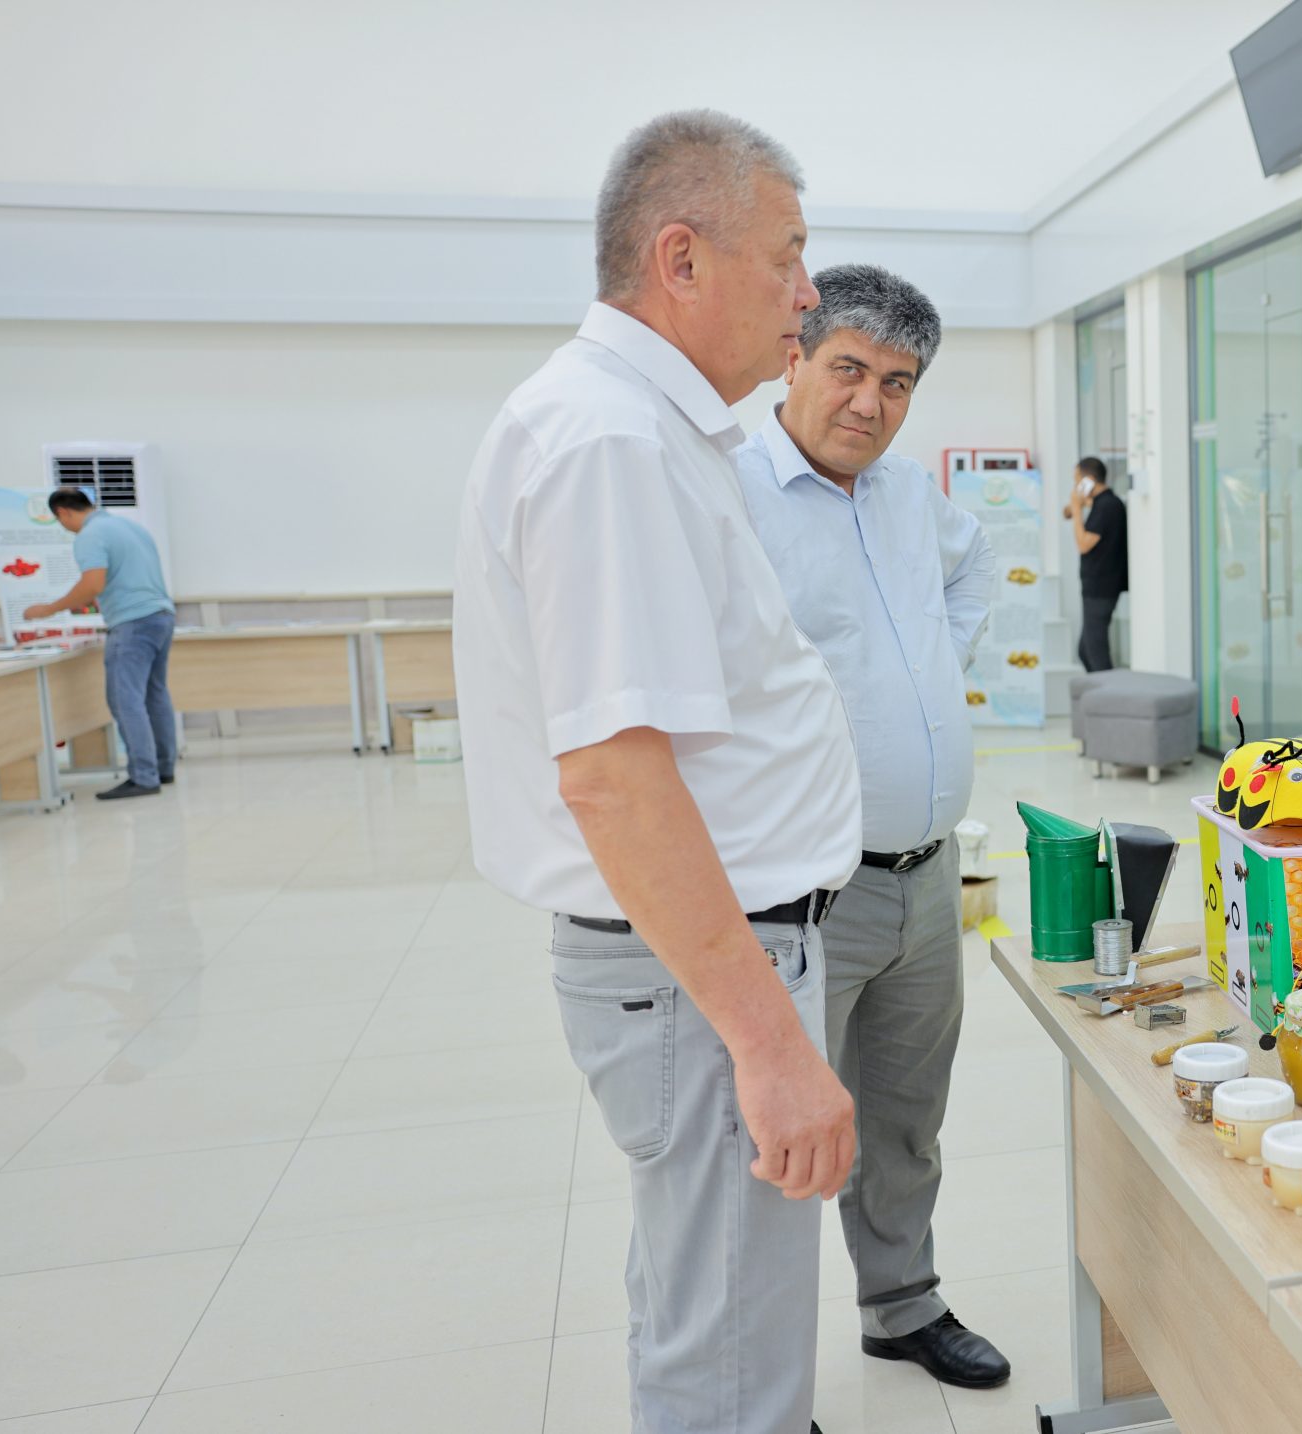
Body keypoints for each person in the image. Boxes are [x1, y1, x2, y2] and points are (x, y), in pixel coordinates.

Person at [451, 110, 859, 1434]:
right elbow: (615, 780)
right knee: (727, 1354)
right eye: (786, 256)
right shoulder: (610, 443)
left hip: (702, 958)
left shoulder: (643, 427)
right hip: (703, 971)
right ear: (681, 259)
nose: (806, 292)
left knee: (714, 1306)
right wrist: (769, 1042)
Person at [732, 264, 1010, 1389]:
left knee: (904, 1116)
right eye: (848, 368)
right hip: (800, 889)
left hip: (926, 878)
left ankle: (902, 1305)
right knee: (777, 1139)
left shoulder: (904, 497)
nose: (869, 402)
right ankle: (756, 1383)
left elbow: (975, 561)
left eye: (897, 383)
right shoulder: (730, 493)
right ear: (792, 358)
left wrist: (937, 661)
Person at [24, 489, 177, 800]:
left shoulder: (90, 535)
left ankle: (144, 777)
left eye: (60, 521)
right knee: (155, 694)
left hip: (132, 623)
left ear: (63, 513)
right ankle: (163, 768)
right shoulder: (130, 527)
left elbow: (93, 585)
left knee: (126, 700)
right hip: (161, 616)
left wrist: (48, 609)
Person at [1066, 455, 1127, 671]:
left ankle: (1109, 692)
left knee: (1096, 653)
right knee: (1085, 650)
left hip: (1101, 590)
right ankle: (1101, 689)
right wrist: (1076, 507)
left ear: (1089, 480)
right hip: (1095, 588)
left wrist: (1077, 509)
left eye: (1077, 481)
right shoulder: (1102, 504)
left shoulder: (1107, 506)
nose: (1075, 487)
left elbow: (1083, 544)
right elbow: (1068, 513)